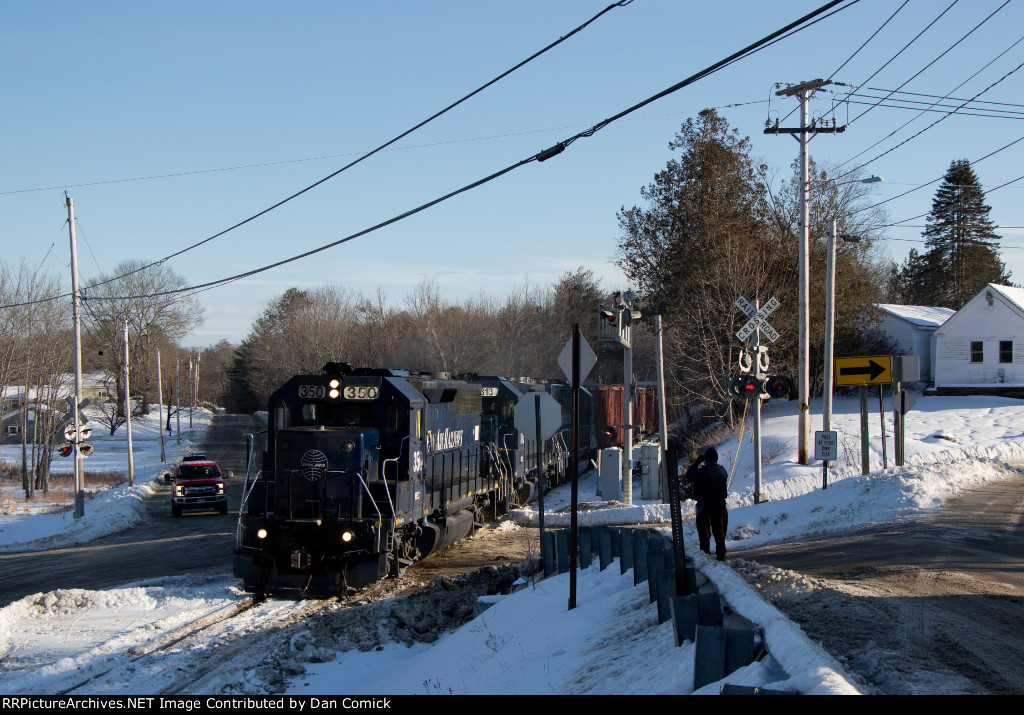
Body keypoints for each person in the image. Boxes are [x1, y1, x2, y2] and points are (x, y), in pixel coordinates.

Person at [684, 447, 729, 560]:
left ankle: (706, 558)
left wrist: (696, 463)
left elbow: (689, 475)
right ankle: (721, 557)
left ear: (706, 458)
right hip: (720, 506)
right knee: (720, 533)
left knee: (704, 534)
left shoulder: (702, 471)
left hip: (704, 506)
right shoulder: (722, 470)